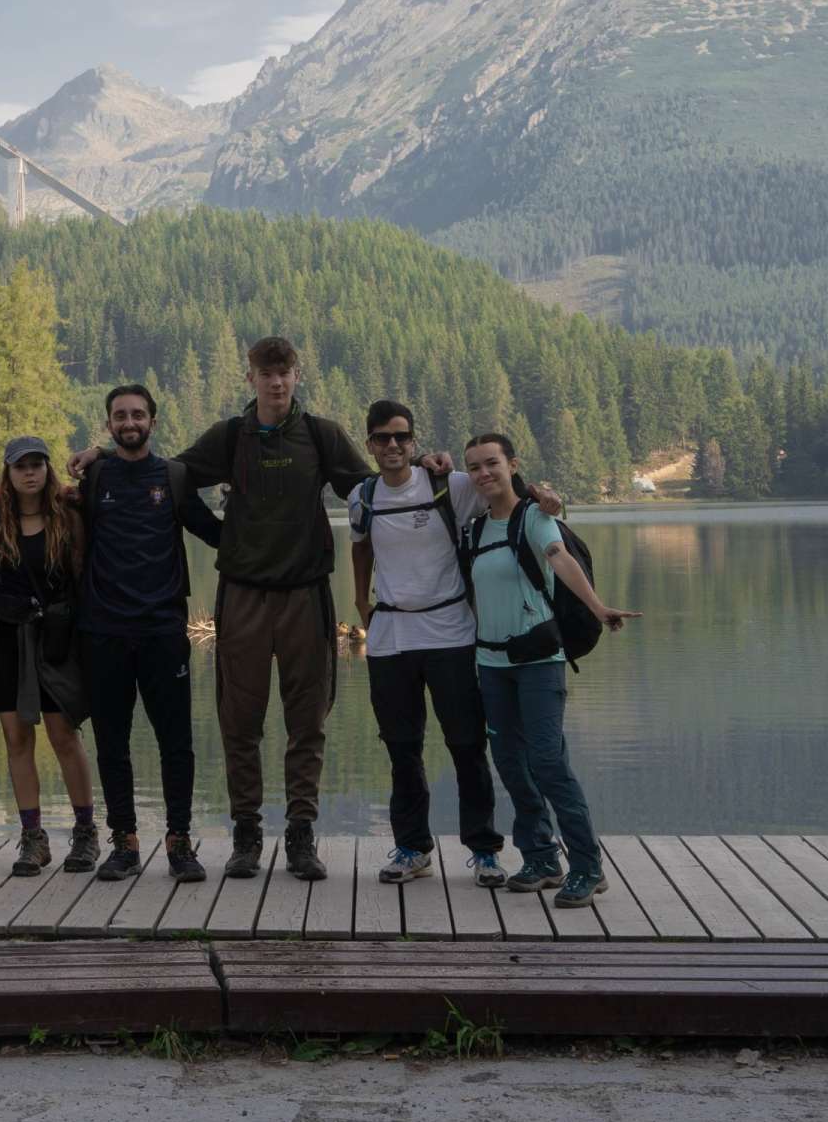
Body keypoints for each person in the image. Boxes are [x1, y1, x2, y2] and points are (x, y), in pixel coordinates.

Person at [70, 337, 452, 884]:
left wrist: (425, 464)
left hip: (305, 592)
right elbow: (162, 469)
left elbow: (375, 485)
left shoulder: (320, 434)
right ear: (250, 378)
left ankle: (300, 834)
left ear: (297, 376)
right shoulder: (231, 436)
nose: (276, 382)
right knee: (239, 722)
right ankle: (246, 835)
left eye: (284, 372)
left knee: (307, 721)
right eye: (266, 373)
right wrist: (102, 455)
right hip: (244, 594)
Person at [349, 400, 556, 889]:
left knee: (466, 746)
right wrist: (361, 601)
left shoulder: (451, 486)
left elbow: (504, 493)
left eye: (402, 436)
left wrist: (542, 494)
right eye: (383, 437)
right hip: (390, 639)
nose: (393, 445)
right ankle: (412, 849)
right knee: (402, 749)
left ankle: (484, 851)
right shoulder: (363, 496)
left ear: (414, 441)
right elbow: (360, 545)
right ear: (370, 444)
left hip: (451, 635)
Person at [462, 432, 639, 909]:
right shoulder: (474, 530)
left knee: (547, 762)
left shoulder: (536, 518)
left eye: (492, 463)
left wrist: (598, 607)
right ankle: (541, 857)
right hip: (491, 664)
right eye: (474, 466)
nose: (484, 473)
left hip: (539, 662)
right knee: (510, 764)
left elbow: (559, 559)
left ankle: (587, 866)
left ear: (512, 464)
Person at [75, 385, 223, 885]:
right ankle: (125, 844)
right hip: (104, 631)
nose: (129, 422)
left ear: (153, 423)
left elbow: (216, 533)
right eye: (120, 415)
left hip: (163, 630)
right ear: (109, 425)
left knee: (176, 742)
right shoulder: (95, 477)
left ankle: (179, 843)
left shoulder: (173, 477)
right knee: (111, 743)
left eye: (137, 414)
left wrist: (269, 530)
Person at [0, 436, 95, 878]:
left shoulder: (68, 514)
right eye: (21, 466)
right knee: (17, 738)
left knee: (63, 734)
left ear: (47, 469)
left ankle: (85, 831)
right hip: (6, 638)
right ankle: (33, 838)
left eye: (37, 464)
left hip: (55, 639)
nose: (30, 472)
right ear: (9, 472)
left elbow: (81, 573)